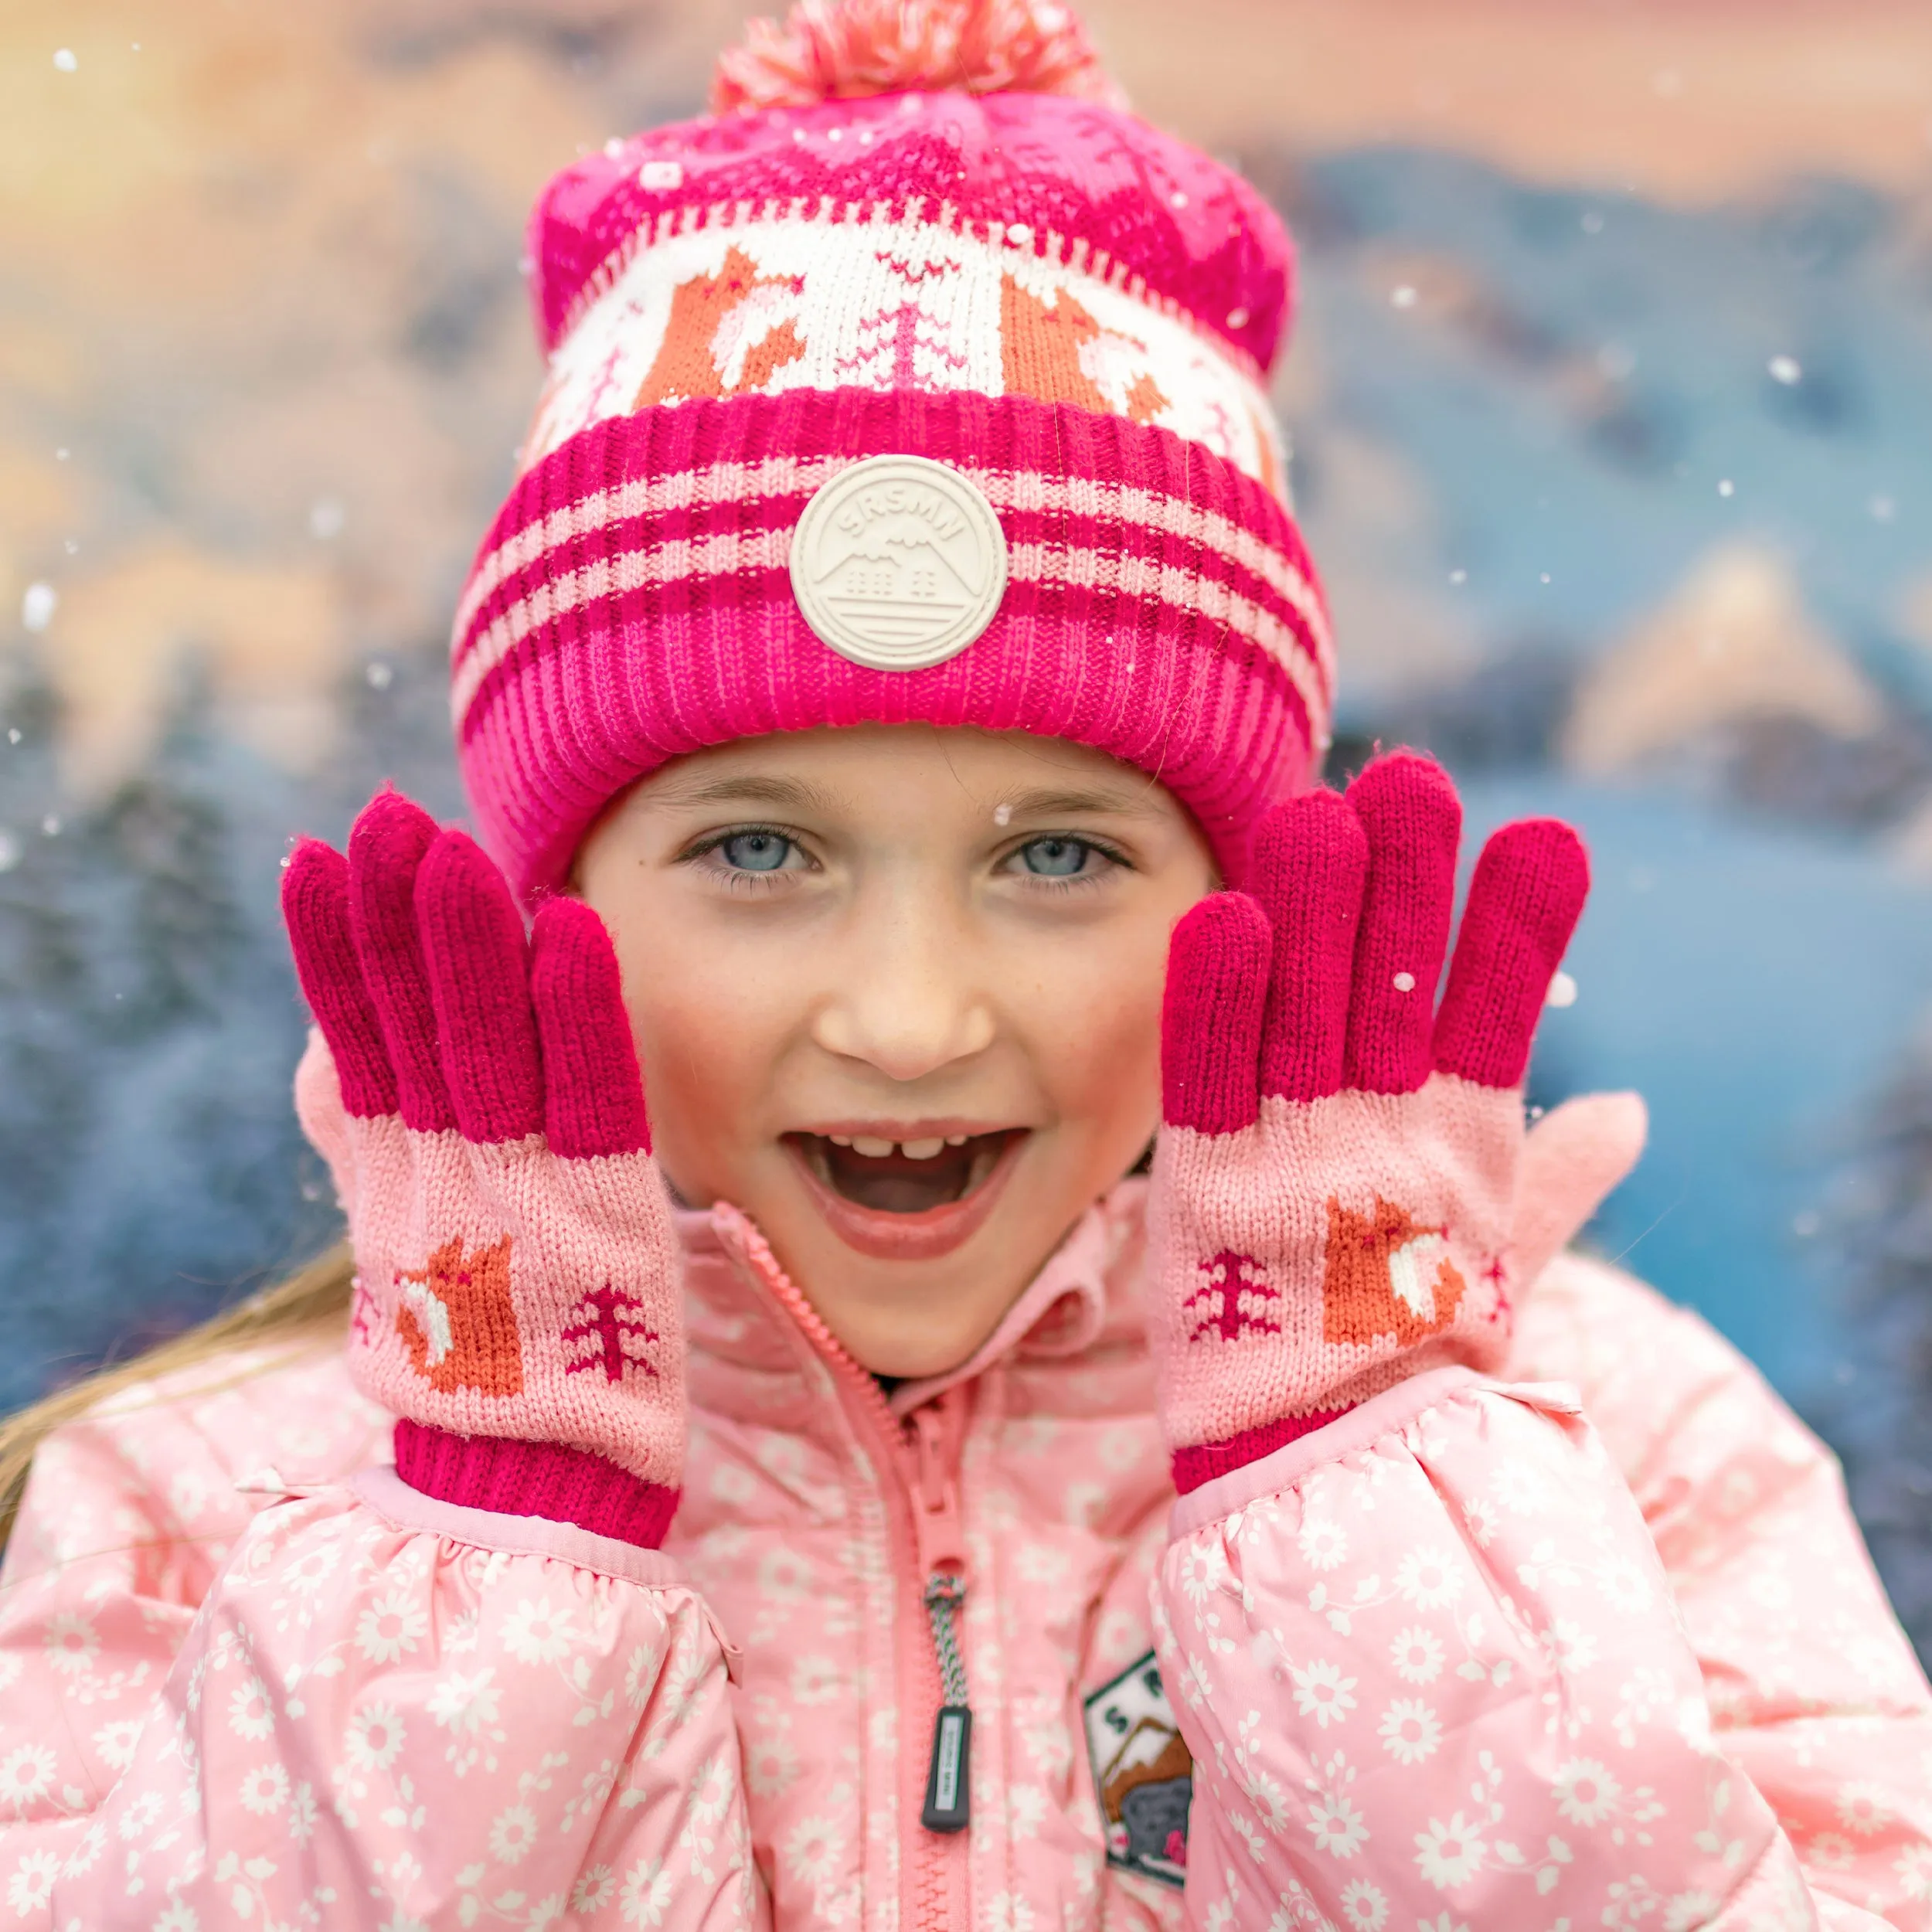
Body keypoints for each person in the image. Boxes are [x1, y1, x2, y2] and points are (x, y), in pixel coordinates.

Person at [2, 2, 1928, 1924]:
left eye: (1059, 853)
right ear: (555, 905)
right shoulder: (202, 1514)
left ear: (1231, 899)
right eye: (758, 848)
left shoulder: (1622, 1456)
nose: (911, 1016)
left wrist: (1366, 1518)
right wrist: (481, 1570)